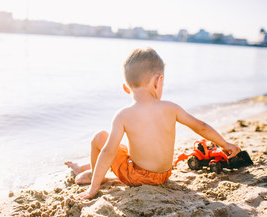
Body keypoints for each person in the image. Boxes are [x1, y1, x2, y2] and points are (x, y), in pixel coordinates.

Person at [65, 48, 240, 199]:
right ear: (158, 81)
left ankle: (97, 177)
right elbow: (200, 126)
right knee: (124, 148)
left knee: (100, 138)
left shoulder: (123, 115)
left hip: (138, 177)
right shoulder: (172, 108)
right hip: (164, 175)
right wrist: (224, 144)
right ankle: (87, 168)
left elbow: (109, 151)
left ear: (126, 88)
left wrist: (93, 188)